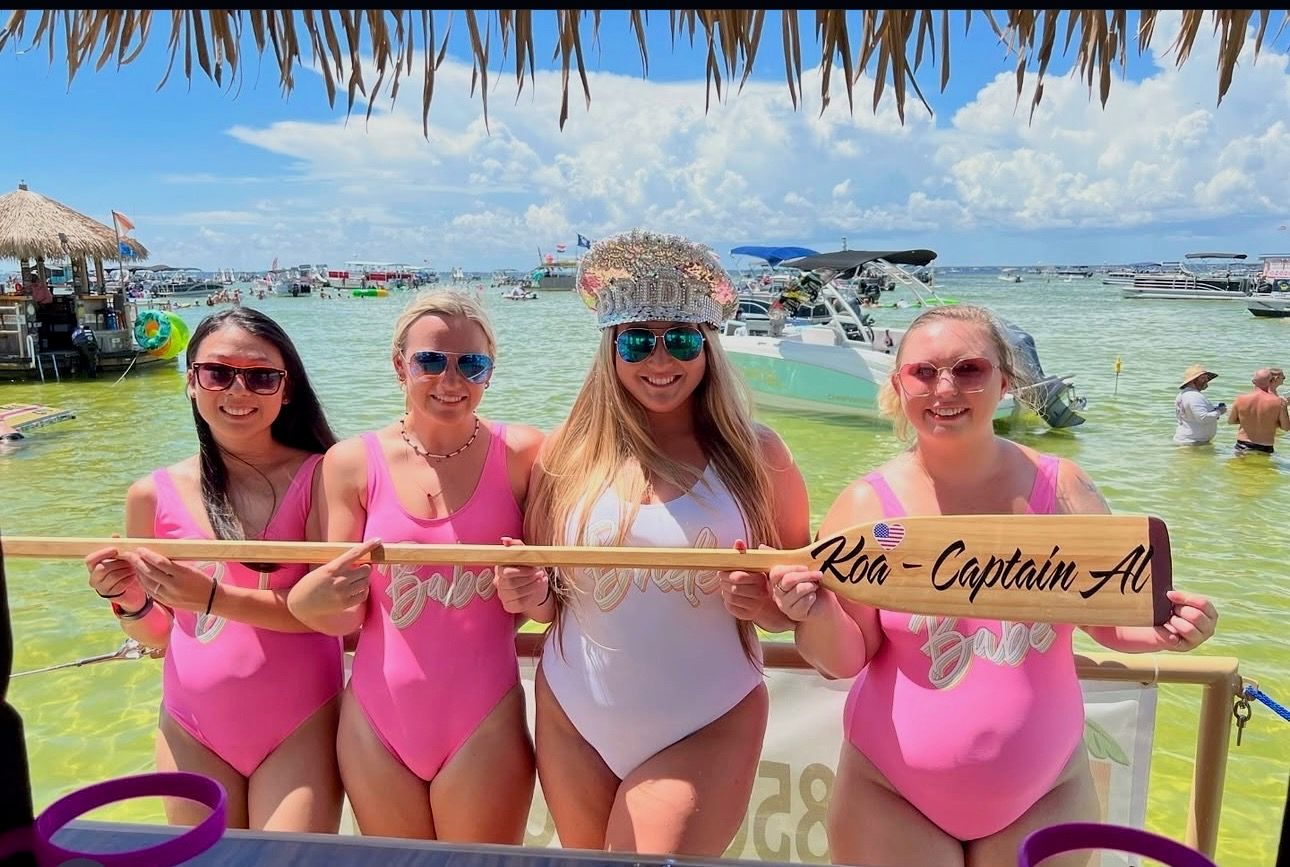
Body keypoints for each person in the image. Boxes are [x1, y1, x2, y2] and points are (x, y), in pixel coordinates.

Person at [768, 304, 1218, 867]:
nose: (945, 388)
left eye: (969, 369)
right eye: (924, 372)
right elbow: (845, 658)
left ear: (1005, 381)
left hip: (1047, 793)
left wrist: (1169, 629)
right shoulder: (866, 508)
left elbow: (1110, 621)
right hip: (890, 795)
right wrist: (809, 612)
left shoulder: (1062, 487)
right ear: (898, 384)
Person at [498, 229, 810, 856]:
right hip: (573, 716)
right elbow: (550, 604)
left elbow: (795, 607)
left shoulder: (759, 454)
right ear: (611, 350)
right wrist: (525, 595)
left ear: (708, 348)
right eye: (638, 340)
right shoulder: (561, 453)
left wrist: (770, 604)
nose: (660, 361)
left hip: (709, 717)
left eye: (681, 340)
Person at [286, 291, 544, 842]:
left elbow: (552, 599)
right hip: (375, 723)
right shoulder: (351, 462)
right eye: (431, 360)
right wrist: (310, 600)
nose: (451, 379)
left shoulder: (525, 454)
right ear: (399, 364)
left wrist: (534, 592)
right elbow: (341, 618)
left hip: (486, 718)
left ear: (490, 374)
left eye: (471, 364)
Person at [83, 307, 350, 832]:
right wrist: (128, 598)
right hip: (190, 725)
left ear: (287, 389)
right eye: (218, 372)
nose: (238, 390)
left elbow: (333, 615)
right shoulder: (149, 494)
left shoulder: (325, 476)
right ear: (190, 382)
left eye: (261, 376)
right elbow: (159, 634)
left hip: (302, 721)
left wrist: (207, 596)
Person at [1229, 367, 1289, 455]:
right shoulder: (1279, 402)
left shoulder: (1240, 399)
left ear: (1253, 382)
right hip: (1265, 447)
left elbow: (1231, 421)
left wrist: (1248, 421)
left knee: (1240, 469)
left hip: (1242, 445)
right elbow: (1286, 427)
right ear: (1270, 381)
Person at [1174, 364, 1225, 445]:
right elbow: (1203, 418)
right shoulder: (1193, 395)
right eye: (1203, 378)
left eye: (1206, 378)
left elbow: (1194, 414)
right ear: (1192, 381)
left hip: (1191, 441)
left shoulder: (1187, 394)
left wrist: (1214, 410)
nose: (1207, 380)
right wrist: (1220, 411)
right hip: (1193, 443)